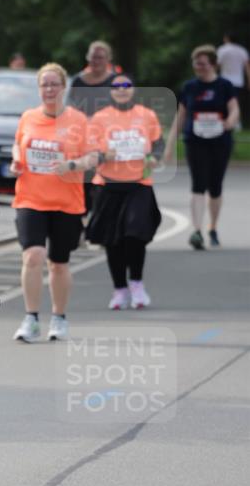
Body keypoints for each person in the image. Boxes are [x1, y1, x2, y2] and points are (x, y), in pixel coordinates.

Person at [10, 62, 97, 342]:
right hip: (30, 198)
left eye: (54, 84)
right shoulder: (28, 117)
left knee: (58, 263)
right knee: (32, 256)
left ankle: (59, 318)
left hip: (66, 202)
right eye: (44, 84)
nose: (49, 89)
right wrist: (16, 159)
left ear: (63, 87)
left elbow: (93, 157)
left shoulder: (78, 120)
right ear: (39, 89)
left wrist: (72, 164)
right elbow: (18, 143)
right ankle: (31, 318)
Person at [86, 75, 164, 309]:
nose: (121, 90)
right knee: (113, 241)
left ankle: (137, 283)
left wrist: (154, 157)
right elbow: (89, 153)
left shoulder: (146, 114)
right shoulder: (99, 118)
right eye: (117, 87)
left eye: (126, 86)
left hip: (139, 184)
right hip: (108, 185)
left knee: (135, 234)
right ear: (111, 91)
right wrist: (102, 156)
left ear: (133, 90)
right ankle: (119, 289)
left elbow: (158, 143)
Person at [165, 45, 239, 249]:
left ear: (213, 64)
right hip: (195, 141)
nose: (199, 67)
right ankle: (196, 231)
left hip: (220, 141)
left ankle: (212, 227)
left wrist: (229, 122)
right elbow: (180, 117)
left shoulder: (225, 86)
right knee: (198, 184)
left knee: (215, 187)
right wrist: (170, 145)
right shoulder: (190, 87)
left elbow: (234, 110)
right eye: (196, 63)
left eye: (203, 63)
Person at [67, 40, 118, 216]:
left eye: (100, 57)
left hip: (107, 139)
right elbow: (69, 109)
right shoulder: (77, 81)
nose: (96, 61)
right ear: (88, 58)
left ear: (108, 59)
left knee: (104, 183)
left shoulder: (115, 81)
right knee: (84, 181)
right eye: (93, 57)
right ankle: (83, 220)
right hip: (82, 139)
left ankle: (101, 224)